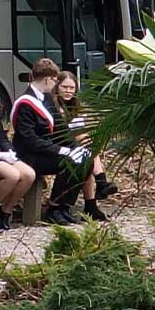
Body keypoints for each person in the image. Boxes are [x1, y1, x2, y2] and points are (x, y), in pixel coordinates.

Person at [11, 59, 93, 226]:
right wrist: (61, 150)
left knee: (85, 160)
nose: (55, 84)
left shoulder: (47, 99)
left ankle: (63, 207)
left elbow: (61, 130)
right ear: (48, 79)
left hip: (47, 150)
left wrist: (76, 148)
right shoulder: (25, 102)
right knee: (68, 162)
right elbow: (29, 140)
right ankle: (54, 208)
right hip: (30, 155)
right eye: (55, 80)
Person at [53, 71, 117, 216]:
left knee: (87, 156)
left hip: (77, 145)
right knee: (86, 149)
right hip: (59, 145)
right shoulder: (54, 106)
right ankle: (101, 182)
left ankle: (91, 204)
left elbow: (80, 129)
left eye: (72, 88)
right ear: (57, 87)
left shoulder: (77, 106)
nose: (68, 91)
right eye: (65, 87)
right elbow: (62, 132)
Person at [0, 68, 34, 232]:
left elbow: (1, 136)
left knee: (28, 174)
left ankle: (5, 211)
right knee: (12, 175)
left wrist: (9, 151)